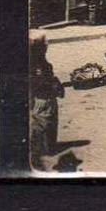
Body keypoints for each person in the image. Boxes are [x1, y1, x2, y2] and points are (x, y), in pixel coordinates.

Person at [29, 34, 64, 167]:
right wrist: (53, 84)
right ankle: (41, 151)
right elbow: (37, 82)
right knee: (43, 125)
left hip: (48, 98)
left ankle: (48, 148)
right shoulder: (36, 65)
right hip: (42, 99)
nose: (46, 48)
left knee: (50, 123)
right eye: (44, 46)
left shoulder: (42, 62)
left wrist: (56, 84)